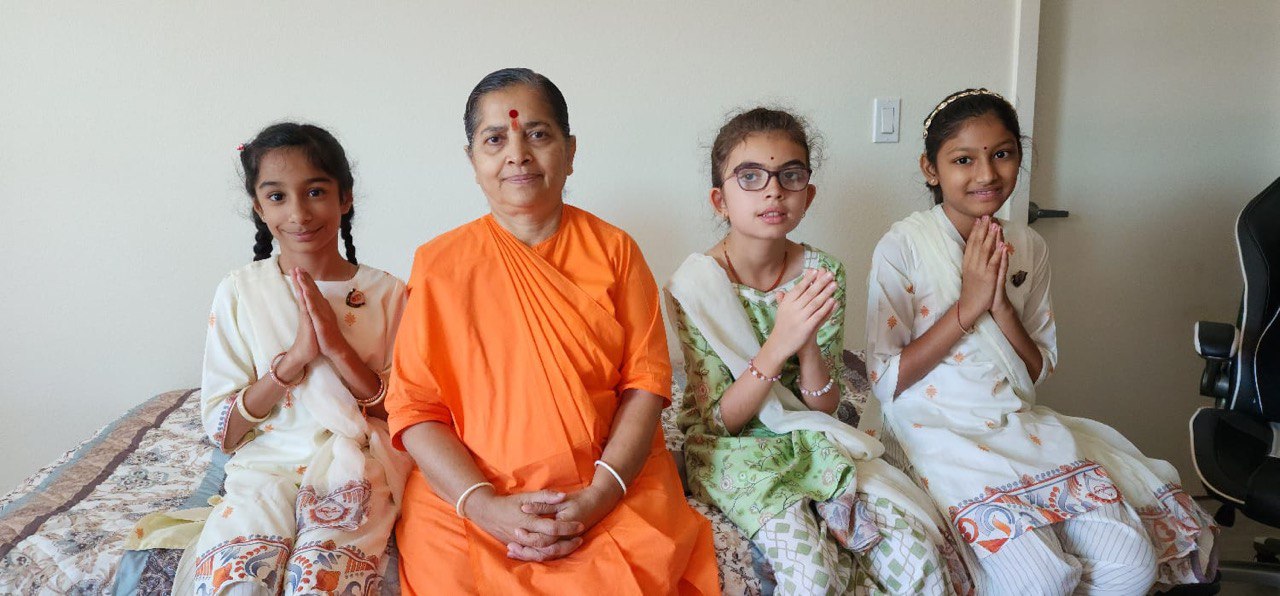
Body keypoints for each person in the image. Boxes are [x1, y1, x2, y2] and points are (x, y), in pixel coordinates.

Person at [866, 89, 1217, 594]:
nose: (987, 174)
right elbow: (886, 380)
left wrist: (1001, 307)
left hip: (1018, 423)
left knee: (1131, 567)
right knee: (1041, 580)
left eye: (1002, 154)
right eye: (963, 160)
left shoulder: (1028, 245)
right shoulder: (903, 246)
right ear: (930, 168)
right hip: (936, 430)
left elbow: (1033, 369)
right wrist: (968, 306)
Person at [386, 68, 720, 595]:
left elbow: (646, 385)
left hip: (608, 484)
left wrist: (600, 496)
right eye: (495, 139)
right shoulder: (439, 266)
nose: (517, 154)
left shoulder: (615, 251)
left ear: (570, 150)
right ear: (472, 160)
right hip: (473, 496)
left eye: (538, 134)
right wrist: (483, 505)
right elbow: (416, 410)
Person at [666, 107, 968, 595]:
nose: (773, 190)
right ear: (720, 200)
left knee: (918, 559)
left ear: (808, 195)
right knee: (813, 576)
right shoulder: (695, 287)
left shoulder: (822, 273)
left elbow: (824, 405)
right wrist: (779, 343)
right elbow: (719, 422)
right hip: (733, 451)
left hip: (809, 435)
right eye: (750, 177)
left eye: (790, 175)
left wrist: (806, 345)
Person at [193, 122, 411, 594]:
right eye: (277, 196)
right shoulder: (240, 292)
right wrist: (293, 361)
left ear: (344, 198)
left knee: (318, 579)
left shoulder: (388, 293)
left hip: (358, 465)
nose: (298, 213)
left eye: (315, 192)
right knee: (238, 581)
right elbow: (223, 431)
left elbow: (404, 416)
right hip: (265, 471)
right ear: (259, 207)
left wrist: (338, 348)